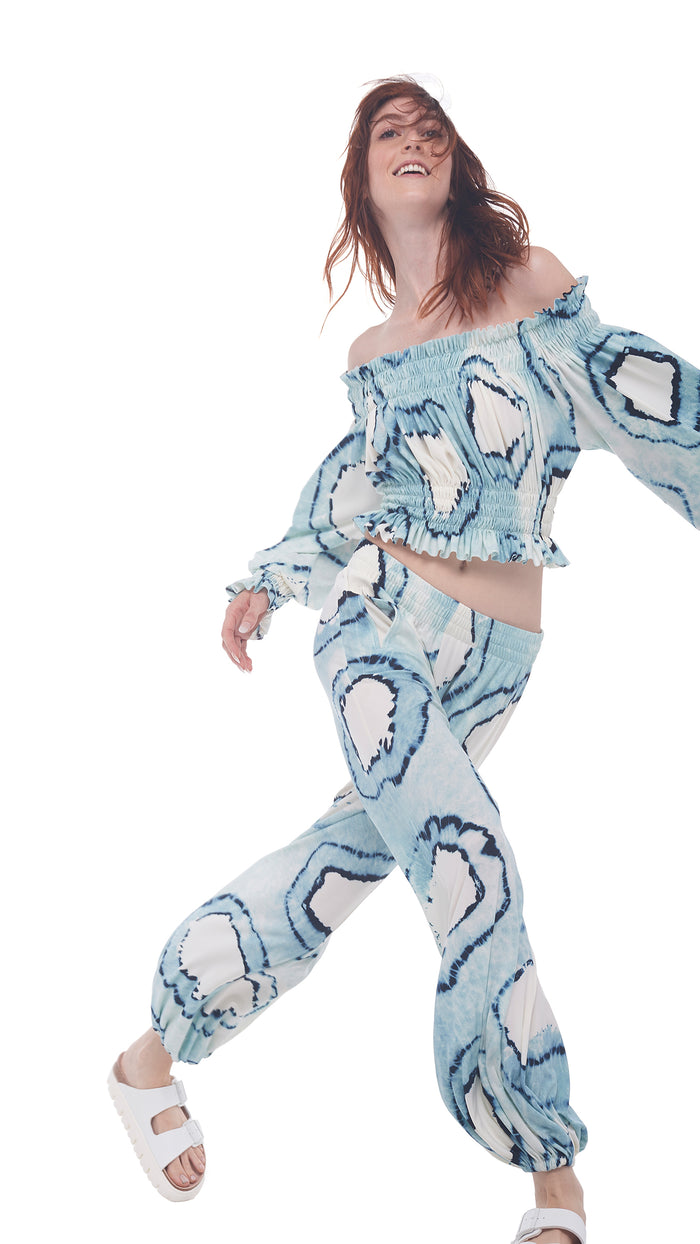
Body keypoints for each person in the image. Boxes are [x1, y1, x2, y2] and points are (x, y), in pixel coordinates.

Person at [108, 76, 700, 1243]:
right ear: (363, 178)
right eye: (390, 132)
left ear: (457, 163)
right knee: (469, 865)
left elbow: (652, 408)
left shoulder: (531, 286)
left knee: (338, 864)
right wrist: (270, 575)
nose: (413, 142)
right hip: (377, 620)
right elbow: (353, 488)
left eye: (431, 129)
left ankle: (150, 1051)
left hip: (497, 658)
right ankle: (553, 1176)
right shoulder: (375, 350)